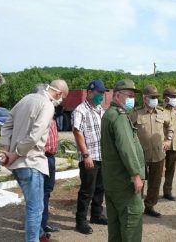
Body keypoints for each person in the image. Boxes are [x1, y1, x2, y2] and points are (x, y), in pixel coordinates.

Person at [0, 80, 69, 242]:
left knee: (34, 206)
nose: (60, 102)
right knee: (35, 209)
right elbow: (35, 134)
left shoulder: (26, 99)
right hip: (31, 163)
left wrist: (7, 150)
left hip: (18, 166)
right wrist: (15, 153)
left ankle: (39, 235)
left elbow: (7, 125)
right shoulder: (47, 105)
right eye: (62, 98)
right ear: (58, 94)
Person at [101, 79, 145, 242]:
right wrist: (135, 175)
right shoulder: (119, 117)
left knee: (115, 227)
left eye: (134, 96)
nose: (132, 99)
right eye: (130, 95)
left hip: (112, 181)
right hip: (124, 183)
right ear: (117, 95)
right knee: (131, 225)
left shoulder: (109, 114)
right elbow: (126, 148)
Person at [130, 85, 173, 217]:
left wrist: (168, 140)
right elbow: (129, 131)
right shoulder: (136, 113)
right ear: (144, 98)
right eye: (152, 97)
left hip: (158, 154)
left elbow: (170, 126)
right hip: (141, 155)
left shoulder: (161, 112)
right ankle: (136, 207)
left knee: (155, 182)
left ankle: (150, 206)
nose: (155, 99)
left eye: (156, 97)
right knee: (139, 182)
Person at [72, 79, 108, 235]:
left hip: (102, 157)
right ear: (89, 92)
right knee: (87, 191)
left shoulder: (100, 109)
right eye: (99, 93)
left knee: (100, 188)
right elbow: (77, 132)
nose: (101, 95)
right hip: (90, 157)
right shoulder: (80, 110)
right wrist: (86, 155)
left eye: (102, 93)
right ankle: (81, 221)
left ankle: (96, 215)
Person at [32, 84, 61, 236]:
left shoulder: (50, 110)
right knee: (38, 195)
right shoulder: (37, 111)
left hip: (51, 158)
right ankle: (38, 230)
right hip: (40, 158)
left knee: (46, 193)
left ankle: (43, 225)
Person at [162, 87, 176, 201]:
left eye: (175, 97)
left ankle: (167, 191)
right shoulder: (160, 110)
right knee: (156, 170)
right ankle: (152, 192)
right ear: (166, 98)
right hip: (162, 145)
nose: (174, 99)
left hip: (174, 144)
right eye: (172, 97)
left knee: (170, 169)